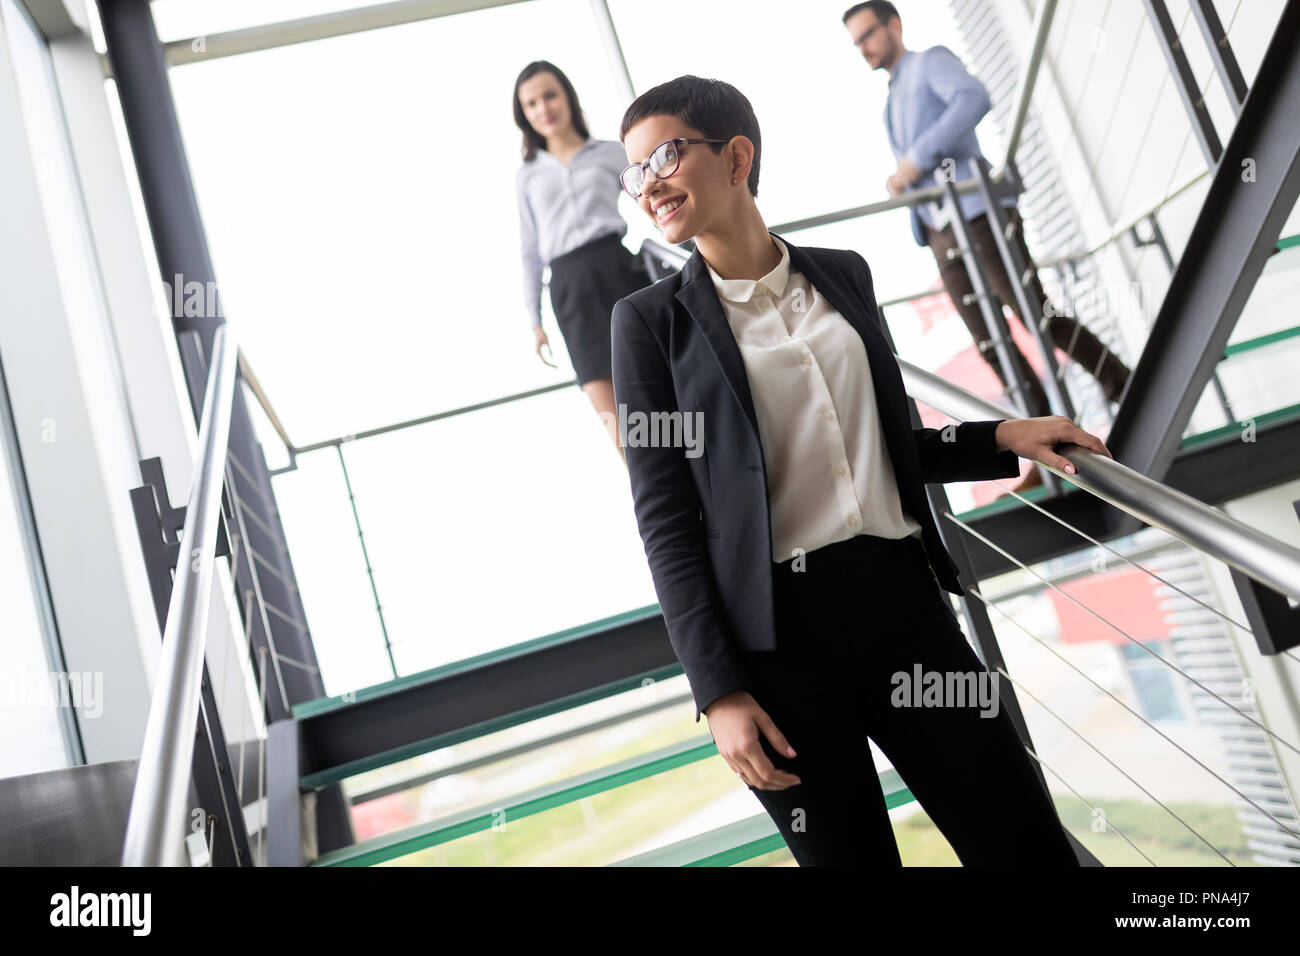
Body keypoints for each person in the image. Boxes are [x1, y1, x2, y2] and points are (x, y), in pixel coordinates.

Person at [611, 74, 1108, 866]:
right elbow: (665, 518)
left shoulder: (843, 275)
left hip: (903, 605)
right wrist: (718, 691)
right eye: (634, 172)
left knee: (1023, 842)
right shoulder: (646, 324)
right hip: (778, 645)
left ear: (736, 156)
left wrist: (1004, 435)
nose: (649, 184)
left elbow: (889, 446)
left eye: (664, 155)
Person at [843, 1, 1132, 490]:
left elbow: (973, 98)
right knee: (989, 342)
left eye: (868, 33)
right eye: (856, 42)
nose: (864, 47)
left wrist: (915, 159)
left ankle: (1123, 384)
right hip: (941, 230)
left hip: (979, 217)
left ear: (894, 24)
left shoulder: (928, 61)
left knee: (1035, 315)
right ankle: (1049, 450)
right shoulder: (891, 99)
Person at [514, 61, 652, 461]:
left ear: (568, 97)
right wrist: (535, 320)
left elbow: (651, 201)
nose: (543, 108)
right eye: (532, 103)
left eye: (550, 95)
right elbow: (529, 250)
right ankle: (663, 512)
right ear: (523, 114)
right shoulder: (527, 176)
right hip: (569, 289)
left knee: (658, 393)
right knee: (619, 425)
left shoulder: (610, 153)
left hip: (618, 270)